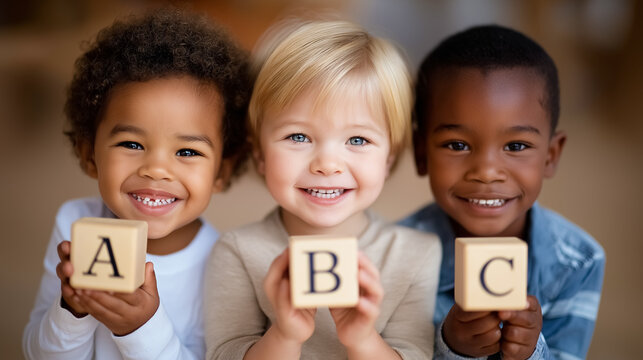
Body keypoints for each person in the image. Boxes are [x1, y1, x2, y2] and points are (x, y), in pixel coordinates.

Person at [203, 19, 442, 360]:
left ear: (389, 158)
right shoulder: (239, 252)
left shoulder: (415, 256)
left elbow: (414, 353)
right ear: (259, 154)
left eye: (358, 139)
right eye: (298, 137)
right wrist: (285, 336)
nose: (327, 164)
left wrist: (362, 340)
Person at [22, 8, 251, 359]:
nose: (157, 169)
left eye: (187, 151)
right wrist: (72, 310)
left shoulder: (222, 263)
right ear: (89, 155)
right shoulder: (75, 224)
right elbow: (40, 353)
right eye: (132, 144)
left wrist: (140, 327)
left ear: (221, 172)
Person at [400, 24, 605, 360]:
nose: (486, 171)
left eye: (516, 145)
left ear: (551, 156)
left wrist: (531, 351)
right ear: (422, 154)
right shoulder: (393, 256)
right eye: (457, 144)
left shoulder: (576, 261)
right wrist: (449, 349)